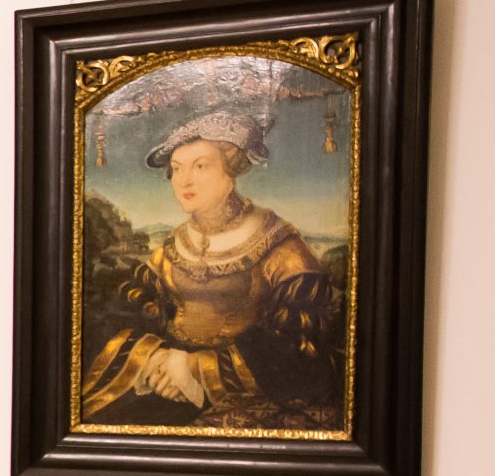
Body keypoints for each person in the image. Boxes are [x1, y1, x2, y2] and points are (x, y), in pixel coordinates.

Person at [80, 110, 343, 430]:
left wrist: (196, 368)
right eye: (177, 168)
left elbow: (300, 347)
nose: (184, 181)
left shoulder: (279, 244)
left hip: (244, 381)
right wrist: (156, 358)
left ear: (232, 170)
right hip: (166, 376)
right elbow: (131, 310)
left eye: (201, 166)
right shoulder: (175, 244)